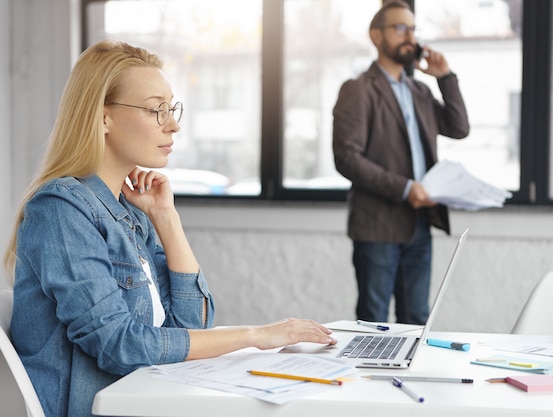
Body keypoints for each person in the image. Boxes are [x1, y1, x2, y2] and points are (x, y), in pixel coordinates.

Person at [3, 40, 336, 417]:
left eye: (171, 107)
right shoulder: (61, 210)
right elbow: (119, 345)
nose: (173, 124)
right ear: (103, 118)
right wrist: (257, 336)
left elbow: (192, 323)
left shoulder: (130, 213)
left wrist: (167, 219)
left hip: (146, 401)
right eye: (155, 110)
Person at [332, 1, 469, 325]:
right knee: (373, 322)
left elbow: (459, 128)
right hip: (378, 226)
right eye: (400, 28)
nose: (410, 36)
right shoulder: (358, 90)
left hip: (419, 224)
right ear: (376, 36)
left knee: (417, 320)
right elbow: (347, 158)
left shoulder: (419, 90)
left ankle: (406, 378)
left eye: (413, 29)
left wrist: (445, 76)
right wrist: (406, 188)